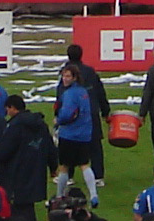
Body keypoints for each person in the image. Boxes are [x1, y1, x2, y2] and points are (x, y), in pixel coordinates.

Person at [0, 94, 51, 221]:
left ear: (12, 108)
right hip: (37, 171)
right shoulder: (40, 125)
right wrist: (53, 166)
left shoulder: (15, 126)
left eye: (7, 109)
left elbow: (4, 150)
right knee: (28, 206)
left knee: (19, 209)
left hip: (18, 172)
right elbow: (49, 146)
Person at [62, 43, 112, 189]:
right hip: (91, 112)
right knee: (95, 145)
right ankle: (98, 176)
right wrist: (105, 110)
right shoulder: (90, 71)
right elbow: (100, 91)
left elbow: (61, 94)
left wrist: (59, 116)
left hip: (72, 113)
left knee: (69, 143)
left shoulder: (66, 72)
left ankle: (69, 175)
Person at [51, 65, 99, 206]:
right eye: (63, 76)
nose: (64, 79)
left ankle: (59, 196)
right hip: (84, 134)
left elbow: (67, 114)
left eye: (67, 76)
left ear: (74, 77)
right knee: (84, 164)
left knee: (64, 166)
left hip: (69, 135)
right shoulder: (84, 92)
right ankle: (94, 194)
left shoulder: (69, 94)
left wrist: (58, 121)